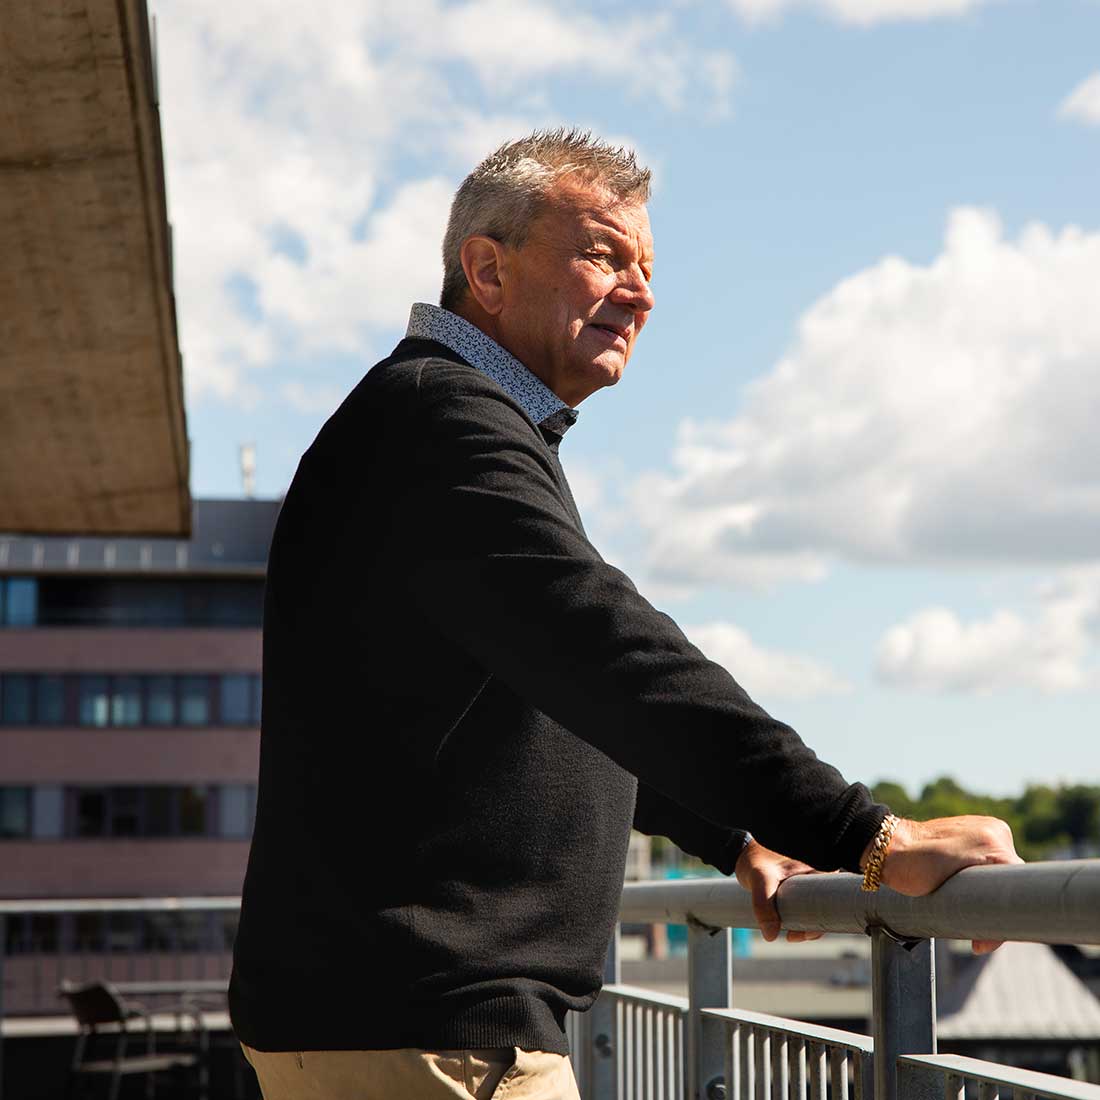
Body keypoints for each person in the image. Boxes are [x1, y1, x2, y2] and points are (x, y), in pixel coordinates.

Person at [229, 129, 1020, 1100]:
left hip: (380, 1021)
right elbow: (614, 655)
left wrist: (733, 837)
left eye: (647, 268)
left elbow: (560, 689)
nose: (640, 292)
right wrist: (867, 833)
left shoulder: (435, 420)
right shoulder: (441, 426)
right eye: (603, 254)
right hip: (433, 1036)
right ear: (486, 267)